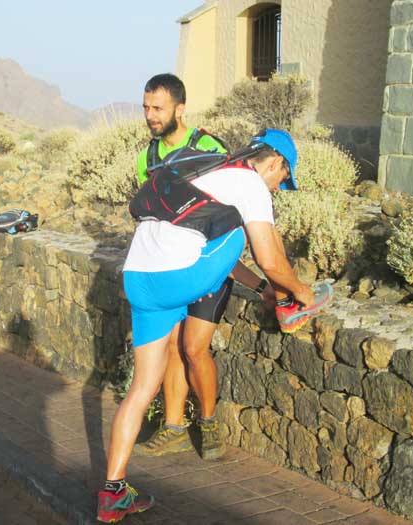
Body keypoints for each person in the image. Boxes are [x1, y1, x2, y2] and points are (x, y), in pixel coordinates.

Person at [96, 129, 332, 522]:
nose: (277, 188)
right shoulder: (250, 183)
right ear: (275, 163)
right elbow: (269, 259)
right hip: (182, 278)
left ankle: (113, 492)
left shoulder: (207, 171)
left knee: (141, 388)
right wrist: (299, 291)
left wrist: (261, 289)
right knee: (247, 229)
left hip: (139, 279)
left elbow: (213, 247)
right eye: (281, 180)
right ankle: (291, 308)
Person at [134, 73, 279, 462]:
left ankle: (210, 421)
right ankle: (175, 427)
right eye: (146, 107)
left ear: (180, 109)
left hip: (209, 263)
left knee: (195, 348)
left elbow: (228, 216)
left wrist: (249, 277)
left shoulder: (210, 146)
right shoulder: (145, 157)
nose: (150, 115)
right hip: (170, 264)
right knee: (170, 345)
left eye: (158, 108)